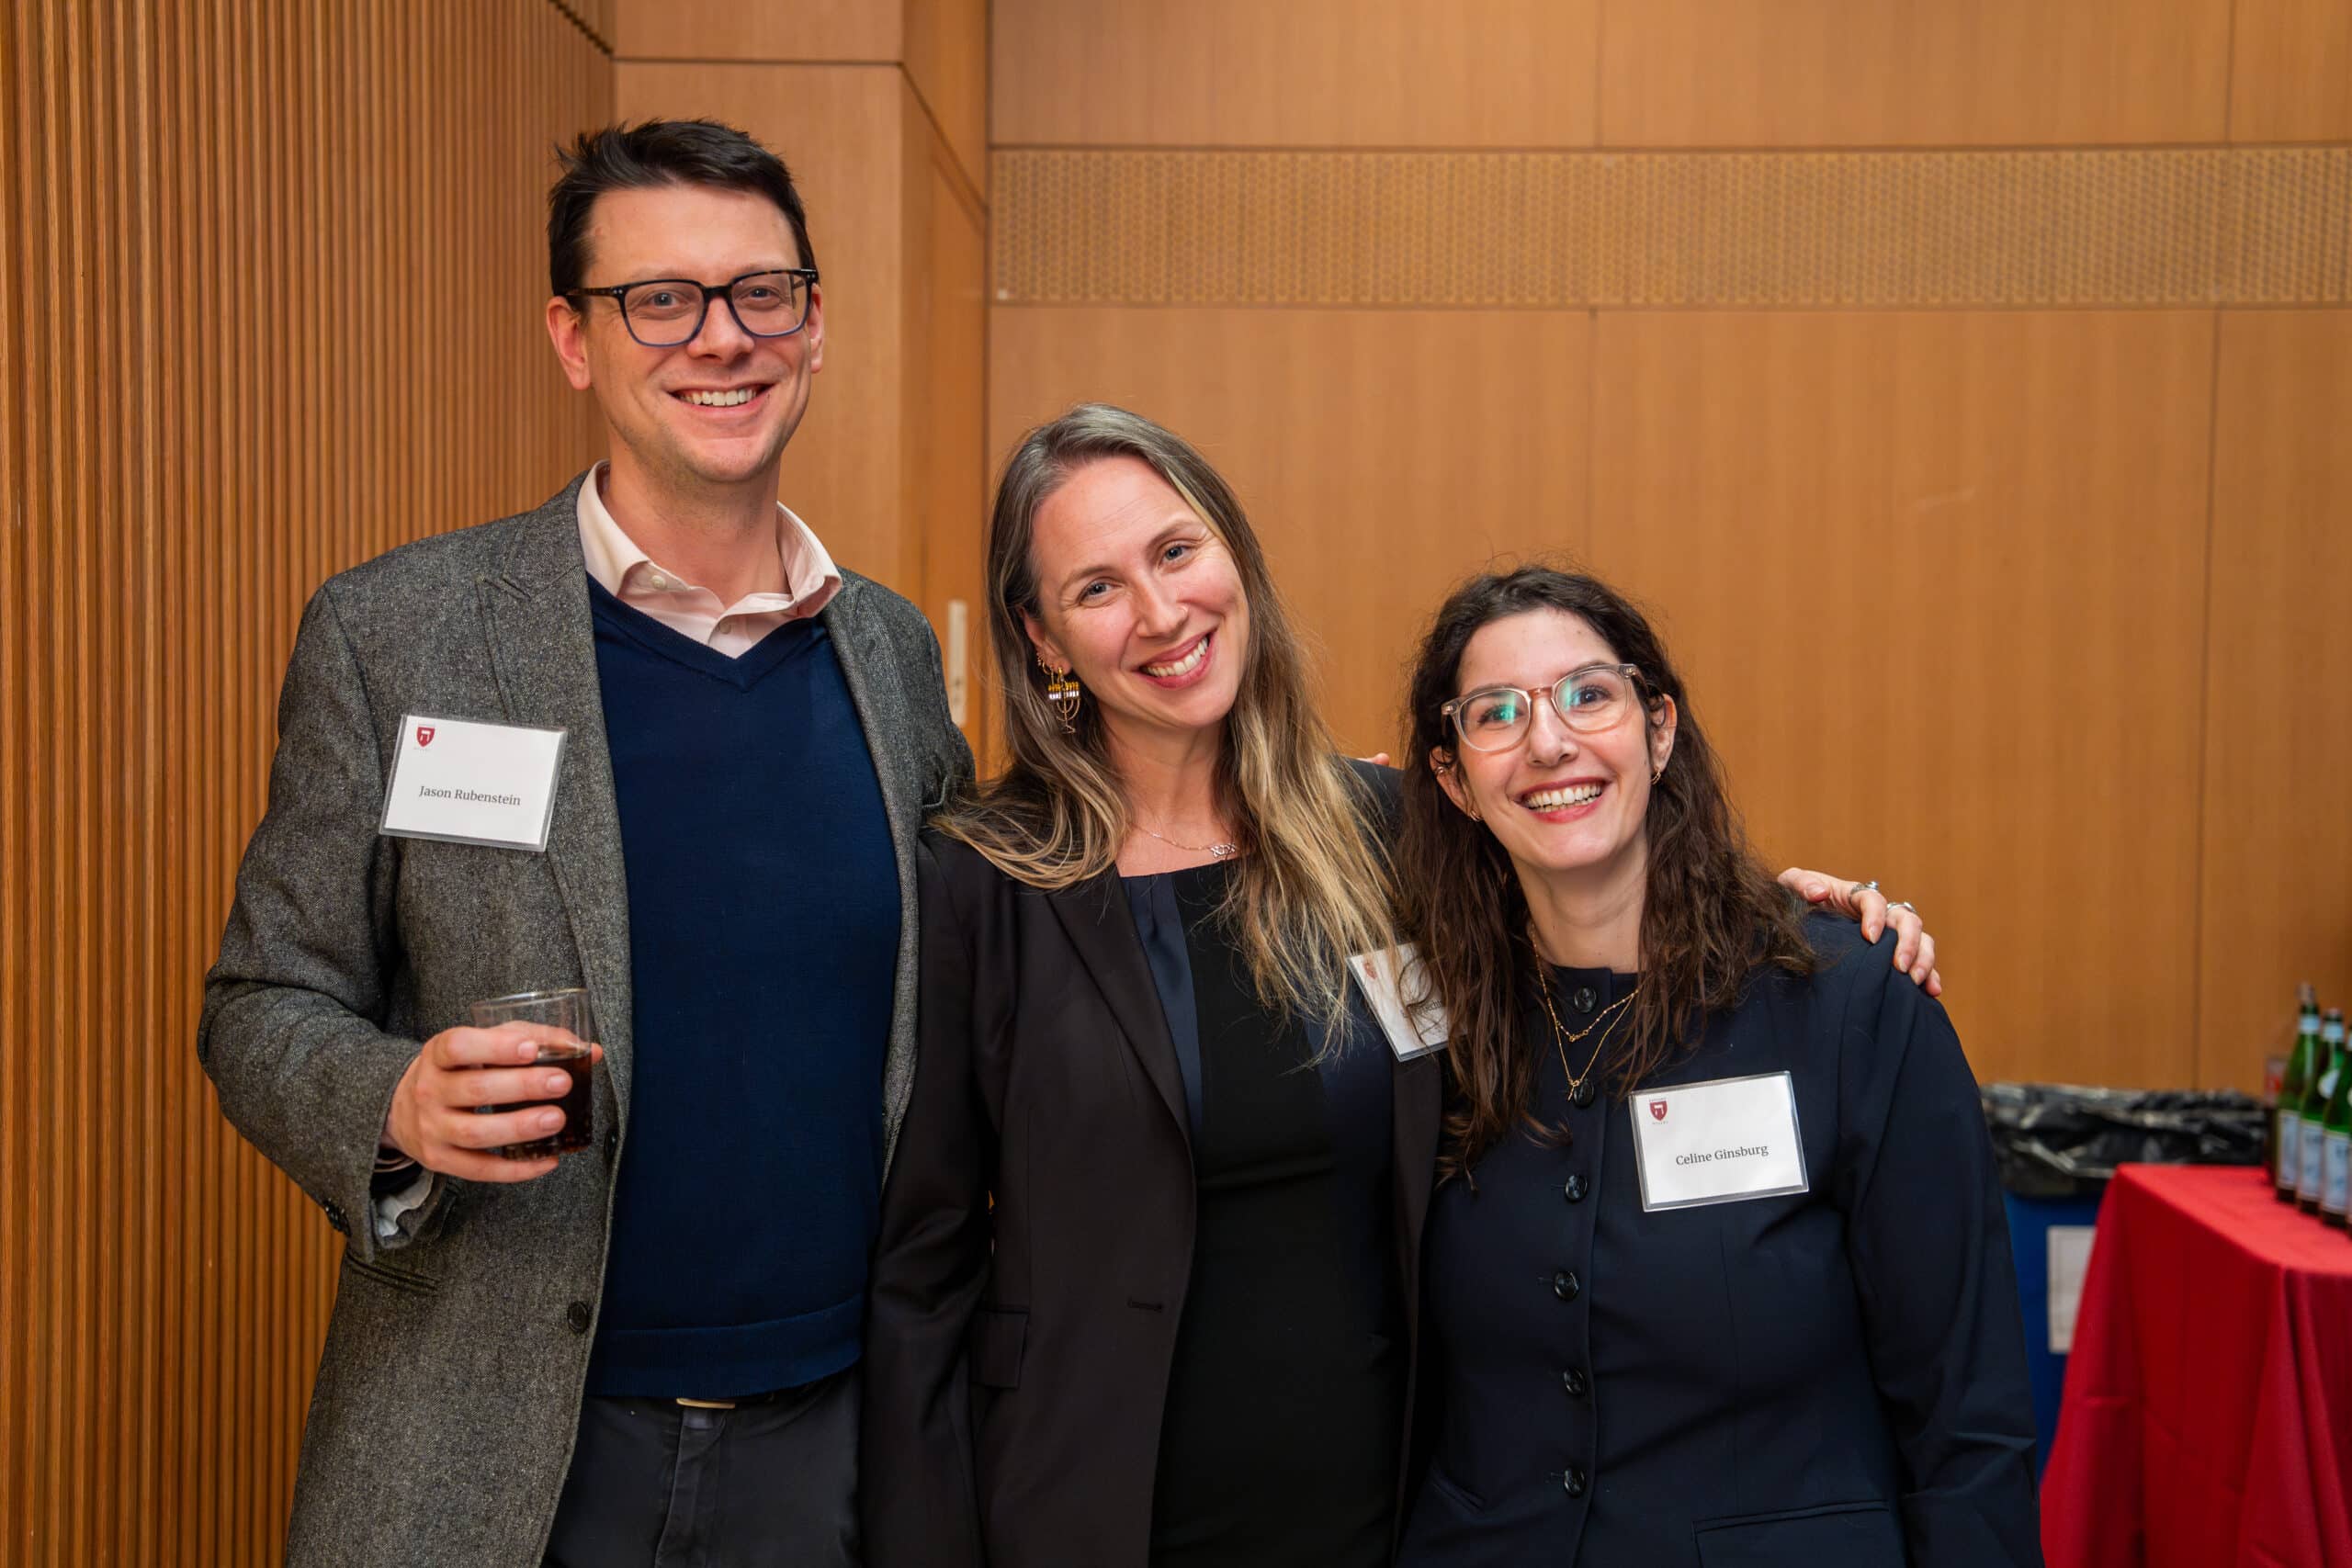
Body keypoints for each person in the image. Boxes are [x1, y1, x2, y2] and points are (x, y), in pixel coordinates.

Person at [858, 405, 1932, 1568]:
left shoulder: (1380, 834)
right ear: (1044, 638)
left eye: (1175, 551)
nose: (1162, 613)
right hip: (1088, 1505)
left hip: (1378, 1502)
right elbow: (924, 1273)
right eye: (1098, 588)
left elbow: (1593, 898)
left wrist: (1795, 916)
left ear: (1233, 554)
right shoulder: (986, 884)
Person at [198, 119, 969, 1567]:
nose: (722, 338)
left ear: (813, 323)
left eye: (762, 292)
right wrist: (391, 1098)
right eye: (660, 299)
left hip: (834, 1443)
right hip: (499, 1441)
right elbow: (261, 1000)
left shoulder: (892, 653)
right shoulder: (402, 634)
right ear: (574, 338)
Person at [1392, 567, 2041, 1567]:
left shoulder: (1843, 1002)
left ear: (1659, 731)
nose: (1548, 742)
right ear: (1452, 778)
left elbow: (1968, 1411)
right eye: (1497, 713)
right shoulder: (1425, 1028)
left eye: (1588, 694)